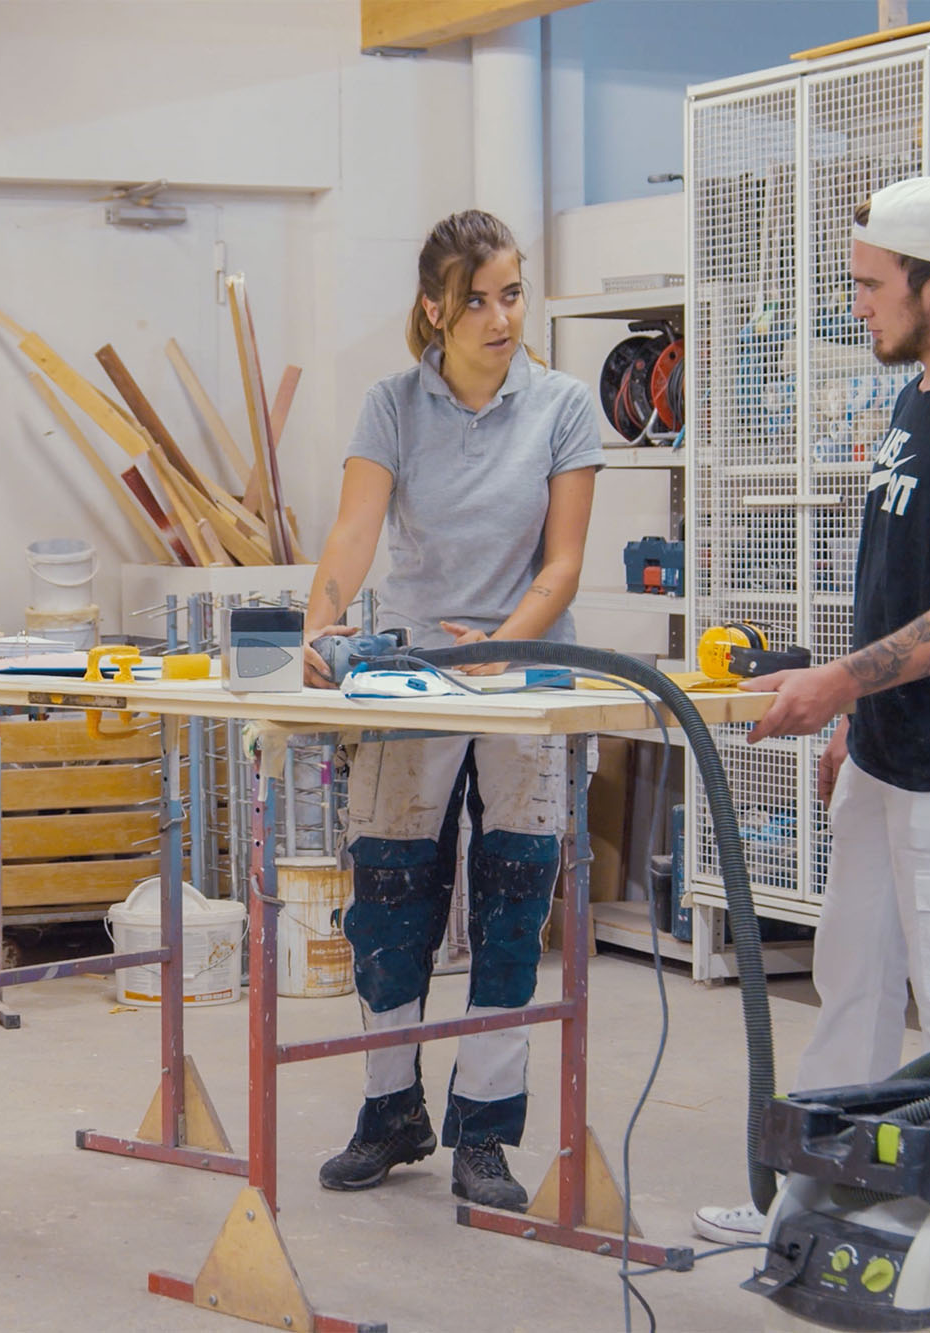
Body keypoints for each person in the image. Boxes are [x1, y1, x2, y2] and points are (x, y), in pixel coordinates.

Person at [693, 175, 930, 1244]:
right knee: (851, 979)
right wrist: (859, 722)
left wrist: (838, 685)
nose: (853, 303)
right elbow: (904, 584)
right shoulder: (920, 394)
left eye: (869, 284)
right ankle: (813, 1195)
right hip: (890, 748)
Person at [302, 209, 602, 1212]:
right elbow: (354, 531)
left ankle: (486, 1131)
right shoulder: (391, 404)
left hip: (524, 679)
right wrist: (320, 623)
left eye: (510, 295)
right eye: (475, 300)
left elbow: (563, 563)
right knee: (388, 899)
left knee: (512, 904)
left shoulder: (562, 405)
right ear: (434, 308)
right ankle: (391, 1110)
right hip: (415, 675)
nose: (499, 318)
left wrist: (504, 644)